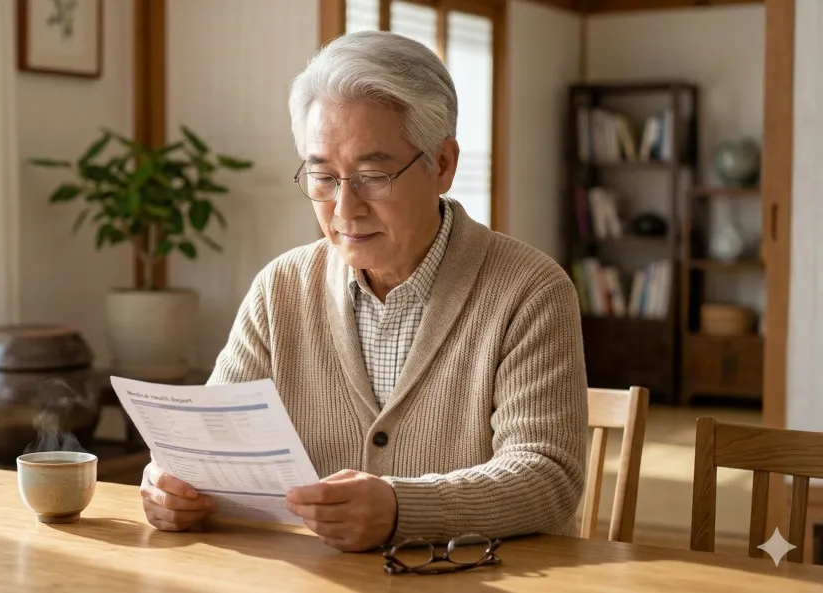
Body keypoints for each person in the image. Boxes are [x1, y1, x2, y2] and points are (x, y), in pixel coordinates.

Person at [138, 30, 588, 553]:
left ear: (442, 165)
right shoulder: (280, 290)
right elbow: (210, 444)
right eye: (323, 177)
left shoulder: (530, 291)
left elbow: (547, 475)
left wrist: (402, 508)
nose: (345, 209)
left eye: (373, 175)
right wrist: (173, 485)